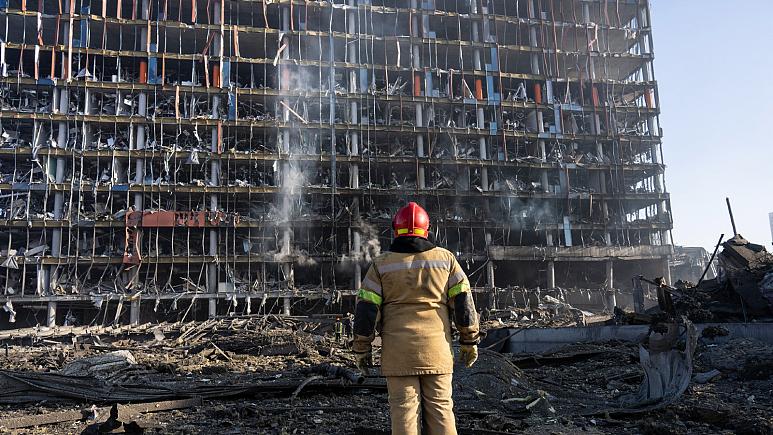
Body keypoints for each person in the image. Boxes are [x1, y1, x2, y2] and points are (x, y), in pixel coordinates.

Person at [352, 202, 481, 435]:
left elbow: (367, 311)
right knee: (442, 410)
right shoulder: (446, 260)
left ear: (395, 230)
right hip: (437, 353)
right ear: (427, 229)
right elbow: (464, 304)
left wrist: (362, 348)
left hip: (398, 355)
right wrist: (469, 341)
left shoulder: (381, 265)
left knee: (404, 414)